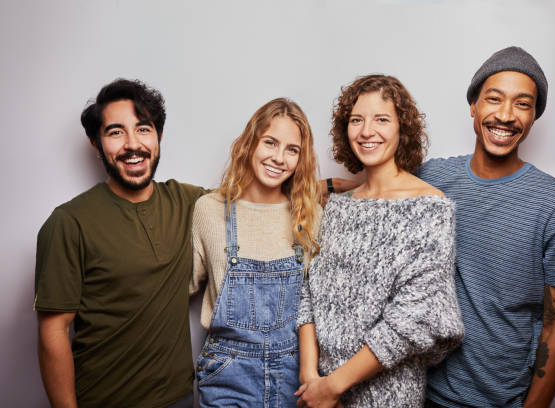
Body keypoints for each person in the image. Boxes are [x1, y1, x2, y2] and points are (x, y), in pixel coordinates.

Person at [421, 47, 555, 407]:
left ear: (533, 117)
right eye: (494, 99)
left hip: (499, 400)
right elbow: (377, 186)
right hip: (420, 392)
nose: (505, 115)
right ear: (473, 106)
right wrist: (331, 187)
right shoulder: (431, 179)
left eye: (523, 104)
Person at [34, 79, 207, 408]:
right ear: (96, 144)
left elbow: (252, 198)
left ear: (158, 137)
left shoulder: (188, 201)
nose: (132, 144)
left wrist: (323, 187)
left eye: (143, 129)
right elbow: (53, 334)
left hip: (180, 399)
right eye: (115, 132)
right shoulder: (68, 222)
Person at [296, 74, 464, 408]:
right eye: (356, 120)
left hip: (389, 394)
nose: (366, 131)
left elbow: (412, 317)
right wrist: (310, 377)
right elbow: (307, 292)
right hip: (319, 394)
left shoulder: (430, 208)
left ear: (403, 130)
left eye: (382, 120)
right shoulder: (337, 208)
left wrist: (335, 385)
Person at [190, 98, 322, 407]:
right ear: (250, 143)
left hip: (296, 373)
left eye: (292, 150)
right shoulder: (209, 210)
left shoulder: (310, 214)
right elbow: (180, 287)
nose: (279, 158)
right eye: (270, 143)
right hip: (227, 370)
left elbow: (316, 304)